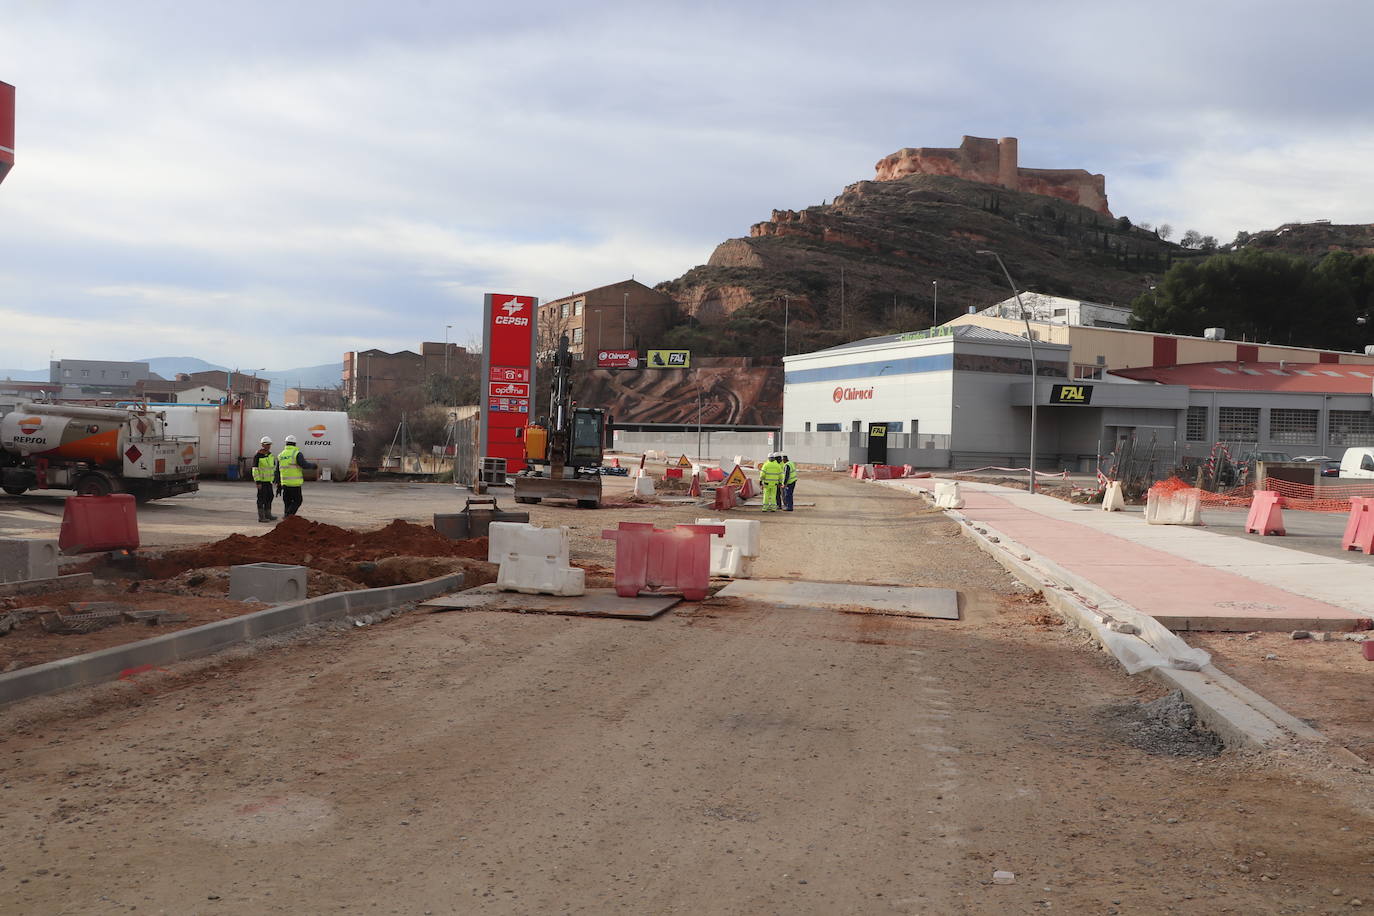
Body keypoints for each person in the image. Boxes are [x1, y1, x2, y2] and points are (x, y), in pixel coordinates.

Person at [276, 434, 318, 518]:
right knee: (298, 500)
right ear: (295, 444)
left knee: (287, 501)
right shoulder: (297, 454)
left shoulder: (281, 455)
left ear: (286, 443)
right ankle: (289, 515)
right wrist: (313, 466)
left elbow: (277, 470)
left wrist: (278, 483)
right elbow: (304, 464)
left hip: (284, 483)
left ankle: (286, 516)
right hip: (294, 483)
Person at [251, 435, 279, 522]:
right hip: (261, 482)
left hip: (268, 481)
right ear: (262, 445)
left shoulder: (270, 455)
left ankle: (268, 514)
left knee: (270, 497)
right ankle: (261, 517)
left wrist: (274, 478)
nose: (268, 446)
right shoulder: (258, 456)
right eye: (267, 444)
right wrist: (257, 482)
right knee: (261, 498)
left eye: (269, 444)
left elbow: (273, 468)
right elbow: (255, 470)